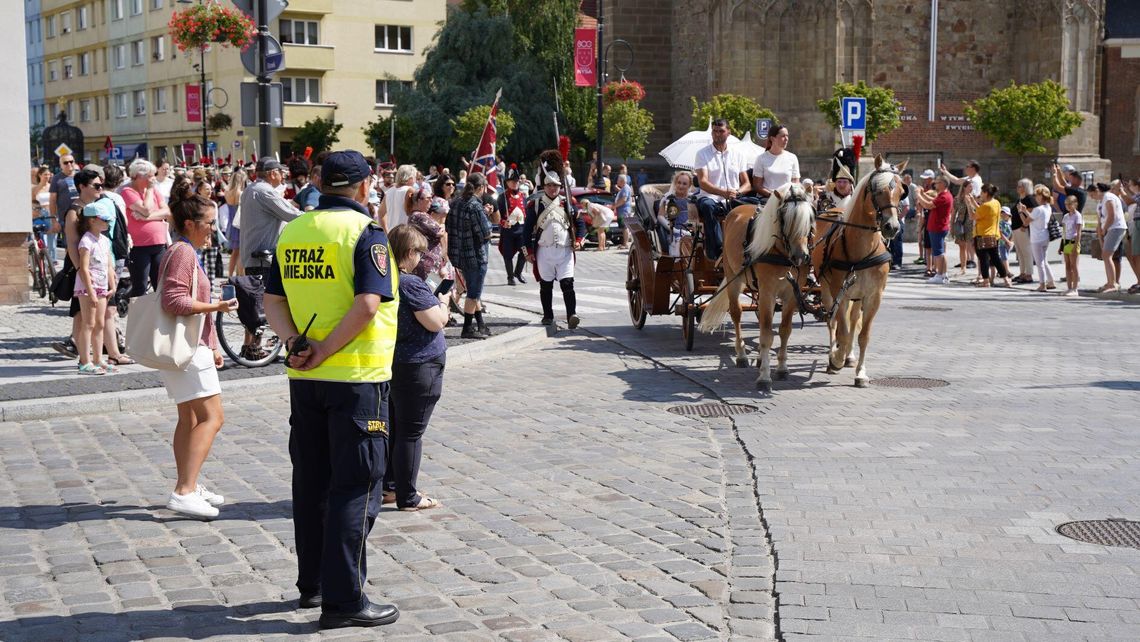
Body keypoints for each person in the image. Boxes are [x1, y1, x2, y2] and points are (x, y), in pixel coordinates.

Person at [262, 150, 400, 629]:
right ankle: (344, 602)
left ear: (321, 184)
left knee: (312, 483)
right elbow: (366, 304)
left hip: (306, 381)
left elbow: (272, 297)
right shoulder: (367, 234)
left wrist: (294, 342)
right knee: (356, 487)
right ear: (364, 187)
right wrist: (323, 348)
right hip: (357, 381)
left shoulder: (294, 230)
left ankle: (313, 585)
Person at [160, 191, 236, 519]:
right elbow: (173, 301)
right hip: (187, 350)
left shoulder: (184, 250)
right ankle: (184, 491)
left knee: (189, 418)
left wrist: (214, 344)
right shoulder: (182, 253)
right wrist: (216, 306)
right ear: (189, 224)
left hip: (191, 347)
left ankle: (187, 483)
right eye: (208, 223)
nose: (212, 230)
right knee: (212, 417)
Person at [382, 224, 447, 512]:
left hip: (395, 360)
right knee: (411, 433)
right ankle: (408, 496)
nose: (422, 259)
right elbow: (435, 321)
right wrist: (443, 300)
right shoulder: (410, 283)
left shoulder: (383, 277)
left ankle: (390, 487)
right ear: (409, 252)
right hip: (419, 364)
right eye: (420, 253)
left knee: (396, 428)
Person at [50, 169, 107, 359]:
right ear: (82, 187)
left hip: (96, 266)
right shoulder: (74, 212)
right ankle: (80, 349)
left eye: (101, 185)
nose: (101, 188)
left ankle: (84, 348)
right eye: (96, 185)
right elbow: (72, 244)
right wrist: (81, 272)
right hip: (80, 266)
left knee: (91, 312)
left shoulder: (95, 207)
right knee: (81, 310)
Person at [524, 152, 581, 328]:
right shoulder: (535, 205)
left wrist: (579, 238)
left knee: (568, 283)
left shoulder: (568, 203)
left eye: (556, 186)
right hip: (544, 251)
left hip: (564, 250)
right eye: (549, 186)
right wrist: (528, 251)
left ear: (560, 186)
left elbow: (579, 222)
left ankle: (572, 315)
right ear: (544, 186)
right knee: (546, 285)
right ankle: (548, 315)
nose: (552, 189)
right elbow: (526, 231)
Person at [693, 118, 750, 261]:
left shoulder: (738, 155)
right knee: (707, 206)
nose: (717, 134)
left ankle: (750, 247)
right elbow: (703, 182)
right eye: (714, 131)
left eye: (721, 131)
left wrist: (737, 192)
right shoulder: (702, 154)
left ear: (728, 132)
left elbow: (747, 183)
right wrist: (723, 192)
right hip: (710, 198)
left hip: (733, 198)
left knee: (755, 206)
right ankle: (717, 252)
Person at [446, 172, 493, 338]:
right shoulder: (475, 205)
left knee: (474, 290)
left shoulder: (456, 202)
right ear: (481, 188)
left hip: (460, 254)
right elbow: (485, 233)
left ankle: (481, 325)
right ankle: (467, 328)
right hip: (476, 255)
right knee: (473, 294)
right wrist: (486, 216)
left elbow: (449, 227)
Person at [74, 200, 117, 375]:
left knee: (99, 323)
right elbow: (83, 268)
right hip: (88, 287)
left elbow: (108, 265)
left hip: (101, 286)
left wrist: (112, 285)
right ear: (92, 220)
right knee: (88, 323)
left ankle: (98, 359)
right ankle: (85, 361)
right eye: (104, 220)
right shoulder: (86, 241)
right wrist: (90, 291)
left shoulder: (104, 240)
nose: (107, 223)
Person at [239, 157, 302, 275]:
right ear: (272, 174)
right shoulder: (265, 191)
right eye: (281, 172)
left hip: (254, 260)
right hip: (263, 261)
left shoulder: (250, 189)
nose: (283, 176)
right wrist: (316, 216)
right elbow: (294, 215)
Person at [122, 159, 172, 297]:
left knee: (160, 285)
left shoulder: (154, 190)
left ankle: (158, 317)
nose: (153, 179)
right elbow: (146, 209)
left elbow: (167, 212)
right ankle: (138, 316)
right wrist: (149, 190)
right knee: (140, 286)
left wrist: (146, 218)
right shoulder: (128, 191)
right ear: (138, 176)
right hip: (139, 247)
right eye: (150, 176)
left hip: (159, 244)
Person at [941, 161, 981, 270]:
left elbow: (977, 198)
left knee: (970, 239)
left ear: (973, 168)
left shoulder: (975, 180)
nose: (966, 168)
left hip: (971, 211)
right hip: (963, 213)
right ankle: (966, 260)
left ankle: (971, 260)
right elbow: (957, 180)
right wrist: (945, 172)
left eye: (968, 166)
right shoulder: (969, 178)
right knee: (963, 240)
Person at [969, 184, 1011, 287]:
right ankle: (1006, 279)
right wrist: (973, 202)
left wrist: (968, 204)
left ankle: (986, 281)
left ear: (986, 193)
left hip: (982, 235)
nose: (981, 194)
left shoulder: (985, 206)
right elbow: (982, 211)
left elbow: (973, 216)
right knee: (996, 258)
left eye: (982, 192)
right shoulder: (996, 203)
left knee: (983, 259)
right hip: (993, 235)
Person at [913, 175, 953, 284]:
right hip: (939, 227)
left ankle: (939, 275)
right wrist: (922, 194)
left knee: (938, 253)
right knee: (941, 252)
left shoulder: (944, 196)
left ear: (943, 184)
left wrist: (918, 195)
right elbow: (933, 200)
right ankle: (944, 274)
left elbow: (928, 205)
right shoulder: (944, 195)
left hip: (937, 227)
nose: (935, 184)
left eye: (938, 182)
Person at [1019, 185, 1057, 292]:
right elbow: (1033, 218)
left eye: (1036, 195)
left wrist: (1022, 212)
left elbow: (1026, 222)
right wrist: (1025, 211)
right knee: (1044, 261)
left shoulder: (1037, 209)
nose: (1035, 197)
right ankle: (1051, 281)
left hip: (1036, 238)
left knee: (1039, 263)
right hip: (1045, 236)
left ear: (1041, 196)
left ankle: (1042, 284)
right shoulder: (1048, 207)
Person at [1090, 181, 1126, 293]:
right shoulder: (1100, 202)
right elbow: (1100, 220)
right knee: (1105, 255)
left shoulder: (1109, 197)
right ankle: (1110, 281)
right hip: (1109, 229)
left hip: (1115, 228)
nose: (1091, 197)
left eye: (1092, 195)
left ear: (1097, 191)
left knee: (1107, 255)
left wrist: (1104, 229)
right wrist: (1100, 234)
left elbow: (1112, 215)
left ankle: (1112, 284)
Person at [496, 165, 528, 285]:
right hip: (508, 230)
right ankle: (510, 277)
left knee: (525, 252)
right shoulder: (502, 197)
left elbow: (526, 213)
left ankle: (518, 273)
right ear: (507, 182)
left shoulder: (523, 197)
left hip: (521, 229)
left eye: (516, 181)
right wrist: (503, 222)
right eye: (512, 181)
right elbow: (497, 215)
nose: (515, 184)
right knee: (507, 254)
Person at [751, 123, 800, 197]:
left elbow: (795, 183)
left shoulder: (792, 157)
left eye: (787, 136)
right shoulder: (761, 158)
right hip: (766, 200)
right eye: (783, 136)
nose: (786, 139)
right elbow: (757, 185)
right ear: (772, 138)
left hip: (787, 200)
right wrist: (772, 195)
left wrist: (786, 196)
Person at [655, 170, 695, 256]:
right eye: (679, 182)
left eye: (684, 184)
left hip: (689, 228)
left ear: (689, 185)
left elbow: (695, 216)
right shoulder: (669, 198)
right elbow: (660, 216)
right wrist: (672, 228)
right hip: (673, 229)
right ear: (675, 183)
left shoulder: (692, 199)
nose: (681, 186)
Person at [48, 153, 79, 246]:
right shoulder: (57, 179)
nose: (69, 164)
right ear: (61, 165)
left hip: (83, 216)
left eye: (71, 161)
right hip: (66, 219)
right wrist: (54, 221)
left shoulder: (81, 176)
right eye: (65, 162)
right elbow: (52, 200)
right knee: (69, 246)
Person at [1010, 178, 1037, 284]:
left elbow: (1031, 215)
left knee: (1026, 252)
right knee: (1020, 253)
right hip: (1016, 228)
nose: (1018, 188)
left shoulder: (1029, 199)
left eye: (1020, 186)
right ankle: (1022, 273)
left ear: (1025, 188)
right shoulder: (1020, 199)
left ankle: (1029, 274)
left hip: (1023, 229)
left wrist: (1025, 226)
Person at [224, 168, 249, 277]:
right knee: (241, 252)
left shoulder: (227, 191)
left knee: (234, 253)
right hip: (240, 224)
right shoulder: (240, 193)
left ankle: (230, 275)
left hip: (231, 223)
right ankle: (240, 276)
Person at [32, 166, 58, 263]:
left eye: (48, 174)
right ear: (40, 175)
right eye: (45, 175)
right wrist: (34, 213)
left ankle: (53, 260)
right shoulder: (35, 189)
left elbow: (56, 201)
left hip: (51, 212)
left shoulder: (52, 187)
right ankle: (43, 261)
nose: (47, 176)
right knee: (41, 238)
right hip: (40, 213)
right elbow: (33, 202)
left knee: (52, 238)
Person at [379, 164, 416, 231]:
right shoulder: (410, 190)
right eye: (414, 177)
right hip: (406, 234)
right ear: (410, 178)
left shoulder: (388, 192)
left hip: (392, 234)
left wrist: (386, 232)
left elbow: (380, 213)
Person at [1059, 195, 1082, 296]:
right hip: (1066, 241)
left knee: (1074, 266)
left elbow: (1078, 232)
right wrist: (1061, 245)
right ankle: (1069, 287)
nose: (1067, 206)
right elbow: (1064, 232)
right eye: (1066, 204)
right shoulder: (1065, 216)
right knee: (1067, 265)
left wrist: (1076, 245)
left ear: (1075, 204)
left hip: (1073, 241)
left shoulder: (1078, 215)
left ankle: (1075, 288)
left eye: (1069, 204)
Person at [612, 173, 632, 250]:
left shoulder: (625, 188)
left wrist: (615, 206)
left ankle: (625, 244)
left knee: (625, 227)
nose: (617, 181)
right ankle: (624, 243)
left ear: (622, 181)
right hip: (623, 211)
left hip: (624, 211)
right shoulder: (624, 188)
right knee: (624, 227)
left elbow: (623, 199)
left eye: (618, 180)